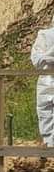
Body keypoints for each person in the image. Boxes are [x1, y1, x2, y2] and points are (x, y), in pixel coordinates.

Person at [33, 17, 54, 146]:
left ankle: (49, 145)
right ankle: (49, 146)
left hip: (45, 82)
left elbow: (38, 60)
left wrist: (47, 57)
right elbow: (37, 60)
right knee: (45, 114)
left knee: (45, 114)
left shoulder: (44, 35)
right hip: (45, 82)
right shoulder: (44, 35)